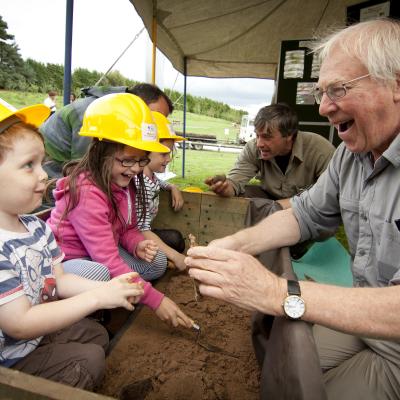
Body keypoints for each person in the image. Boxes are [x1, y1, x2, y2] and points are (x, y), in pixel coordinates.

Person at [186, 18, 400, 400]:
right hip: (367, 321)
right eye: (321, 91)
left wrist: (274, 291)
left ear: (395, 83)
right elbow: (304, 215)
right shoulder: (353, 157)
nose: (323, 106)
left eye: (338, 89)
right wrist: (235, 243)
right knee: (290, 367)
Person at [0, 100, 145, 390]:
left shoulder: (36, 227)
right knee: (88, 359)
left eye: (41, 163)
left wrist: (107, 289)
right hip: (10, 357)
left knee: (96, 335)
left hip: (34, 337)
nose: (43, 174)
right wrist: (96, 299)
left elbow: (60, 279)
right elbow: (18, 324)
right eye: (29, 165)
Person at [47, 93, 193, 329]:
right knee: (101, 275)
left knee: (156, 262)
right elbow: (107, 260)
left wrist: (136, 244)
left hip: (101, 252)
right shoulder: (86, 191)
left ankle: (119, 294)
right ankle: (88, 317)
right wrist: (156, 301)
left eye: (142, 160)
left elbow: (128, 227)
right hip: (70, 261)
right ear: (100, 152)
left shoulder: (124, 183)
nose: (135, 168)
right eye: (127, 160)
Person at [205, 103, 335, 209]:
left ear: (289, 135)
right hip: (270, 201)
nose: (259, 144)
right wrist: (225, 188)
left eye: (267, 137)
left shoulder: (319, 150)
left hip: (307, 209)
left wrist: (280, 207)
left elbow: (329, 197)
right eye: (257, 135)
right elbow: (234, 182)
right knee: (242, 194)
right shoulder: (252, 147)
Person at [39, 83, 174, 178]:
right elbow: (83, 170)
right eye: (155, 116)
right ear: (137, 103)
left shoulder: (116, 111)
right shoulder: (95, 113)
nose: (157, 124)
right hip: (49, 169)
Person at [135, 111, 186, 270]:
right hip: (137, 236)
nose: (169, 158)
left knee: (176, 239)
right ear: (145, 151)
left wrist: (172, 187)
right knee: (161, 260)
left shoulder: (151, 177)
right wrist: (175, 256)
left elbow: (158, 183)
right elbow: (140, 230)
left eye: (169, 153)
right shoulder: (139, 185)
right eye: (164, 154)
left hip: (146, 229)